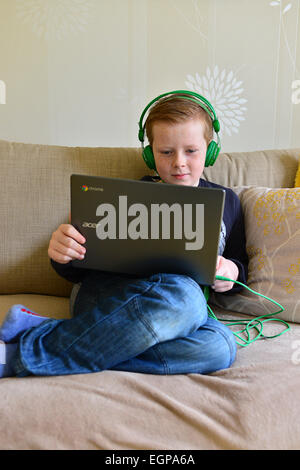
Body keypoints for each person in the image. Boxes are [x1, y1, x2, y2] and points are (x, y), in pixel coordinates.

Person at [0, 91, 248, 378]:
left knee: (220, 348)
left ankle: (48, 334)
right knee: (187, 297)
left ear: (210, 149)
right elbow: (77, 271)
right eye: (166, 152)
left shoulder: (227, 201)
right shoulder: (123, 197)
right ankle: (19, 356)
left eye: (191, 151)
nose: (179, 162)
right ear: (149, 153)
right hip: (107, 298)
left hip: (177, 318)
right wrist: (63, 255)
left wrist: (231, 273)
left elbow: (241, 270)